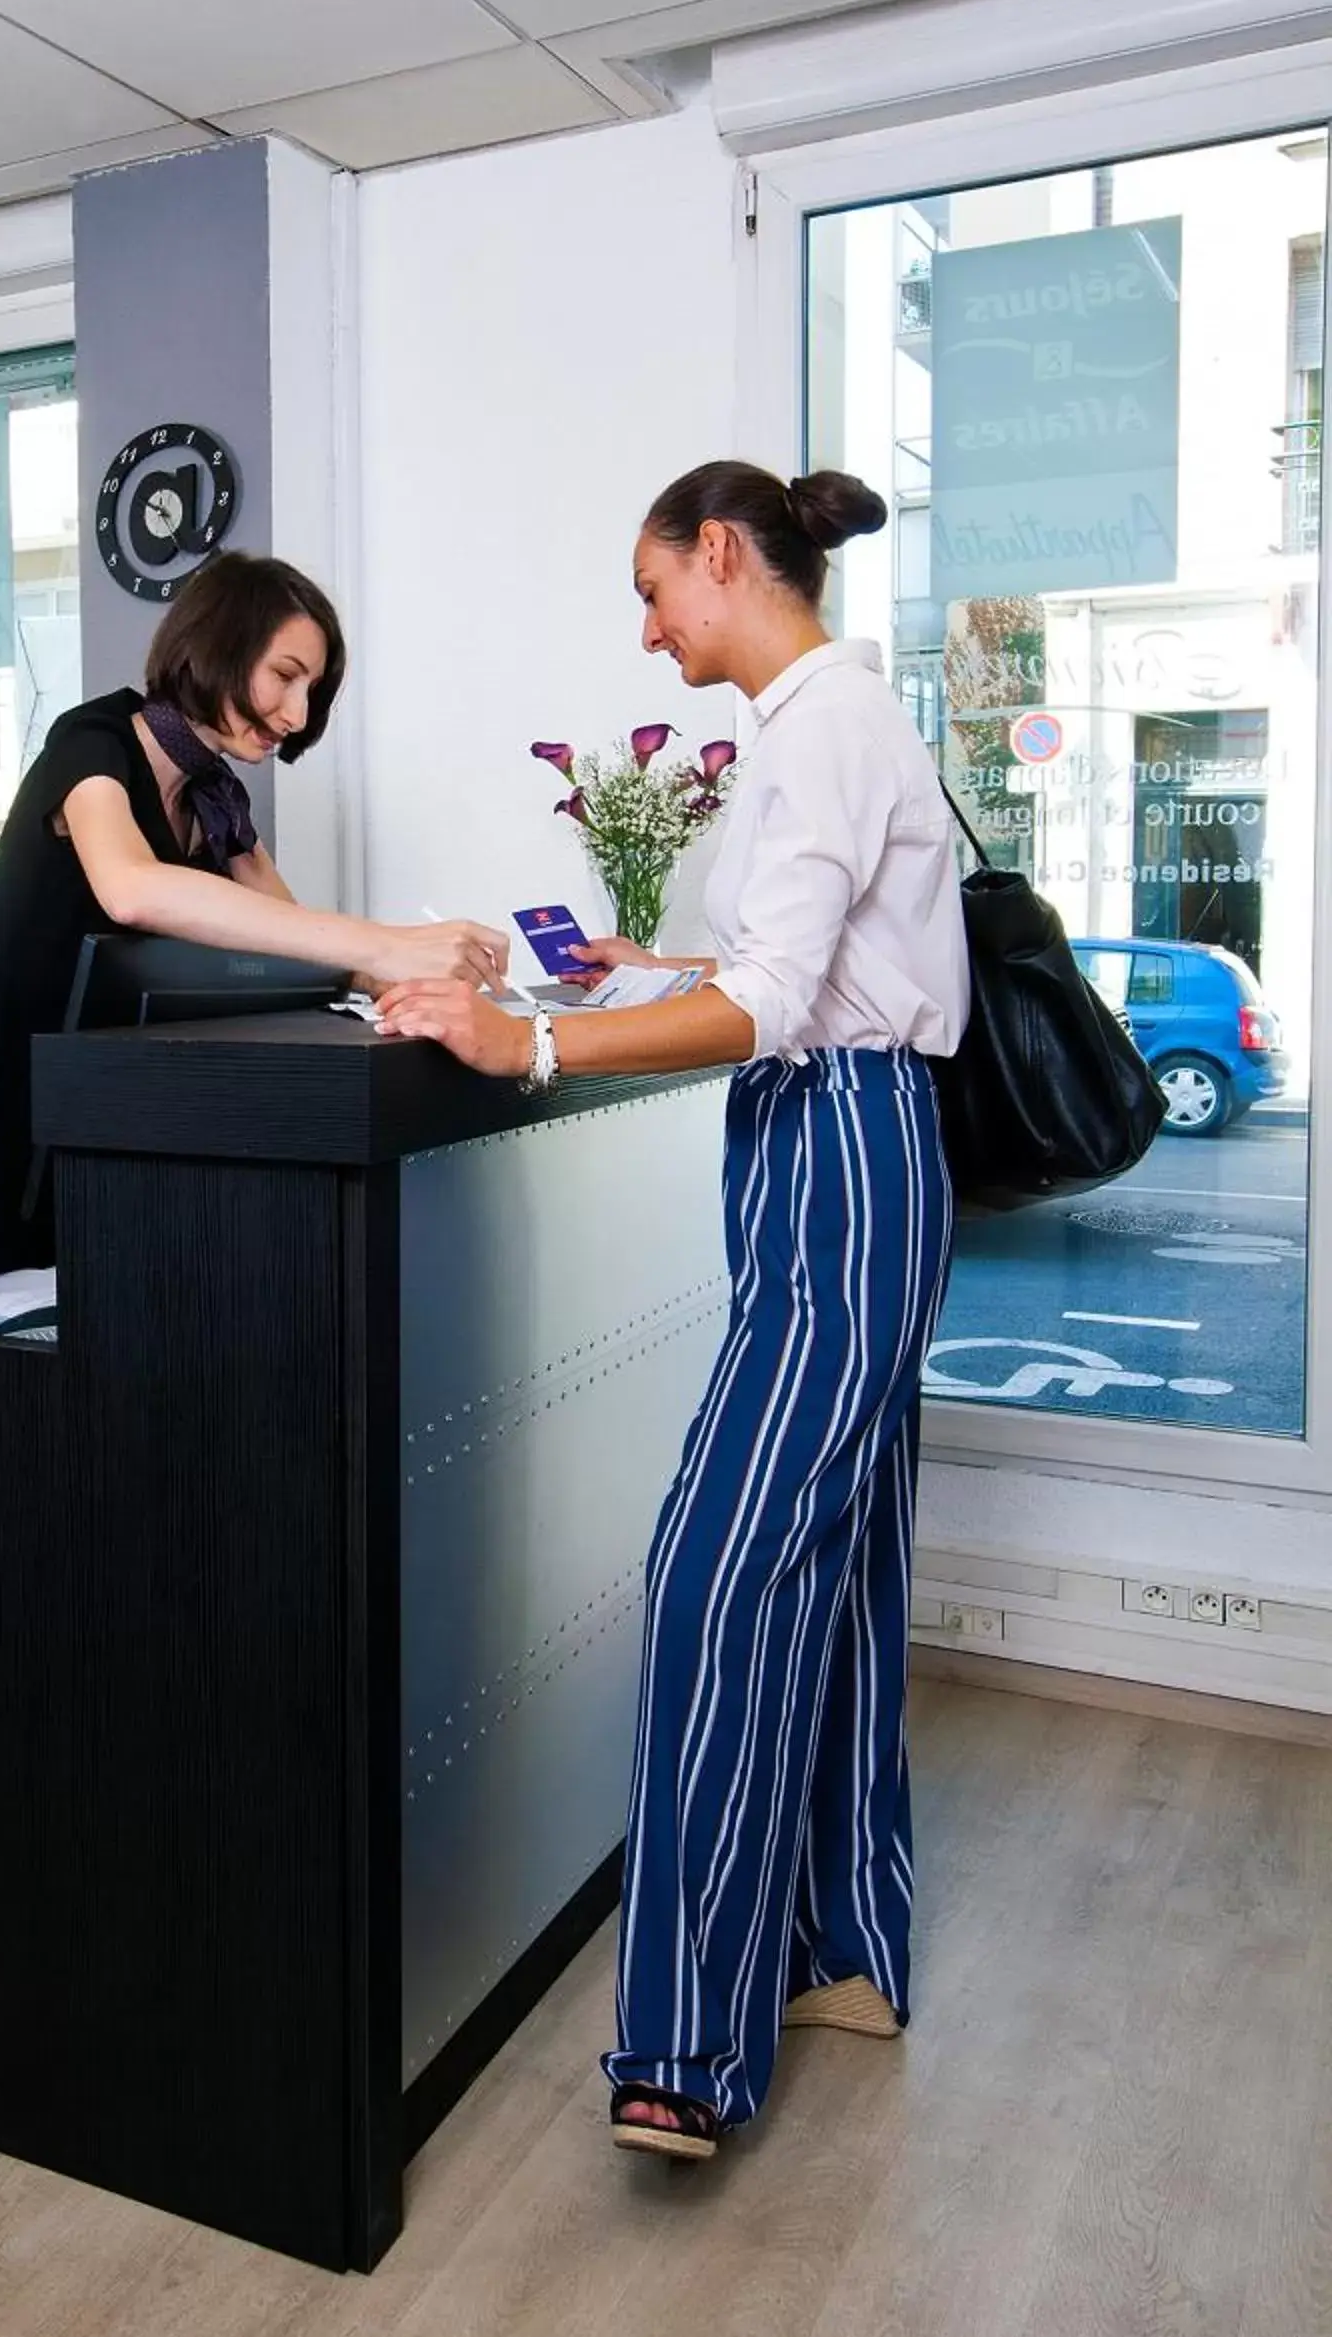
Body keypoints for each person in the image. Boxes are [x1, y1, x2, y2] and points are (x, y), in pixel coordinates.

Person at [374, 459, 969, 2163]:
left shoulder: (827, 726)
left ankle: (688, 2051)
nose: (649, 632)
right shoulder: (814, 728)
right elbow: (800, 972)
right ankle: (846, 1948)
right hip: (832, 1147)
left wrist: (536, 1040)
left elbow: (791, 1006)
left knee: (713, 1570)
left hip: (841, 1151)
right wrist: (645, 978)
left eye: (656, 594)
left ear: (725, 555)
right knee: (833, 1561)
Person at [0, 553, 506, 1317]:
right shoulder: (92, 743)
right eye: (286, 675)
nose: (298, 714)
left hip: (70, 1127)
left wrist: (424, 979)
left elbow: (300, 943)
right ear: (219, 643)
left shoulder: (218, 801)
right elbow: (133, 888)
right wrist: (379, 943)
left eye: (313, 689)